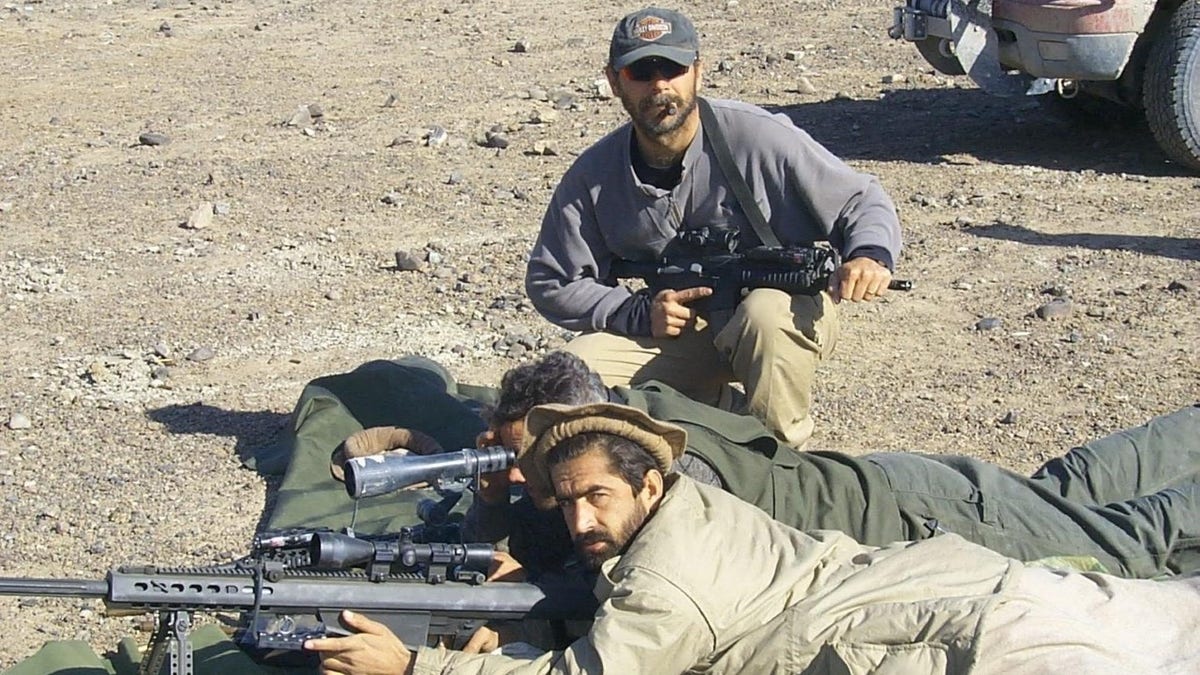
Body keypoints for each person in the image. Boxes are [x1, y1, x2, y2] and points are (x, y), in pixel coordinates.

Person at [305, 402, 1200, 674]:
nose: (578, 520)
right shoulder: (670, 490)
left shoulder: (670, 580)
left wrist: (420, 667)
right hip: (947, 579)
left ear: (649, 483)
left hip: (980, 635)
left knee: (1133, 527)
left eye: (594, 501)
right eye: (563, 502)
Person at [465, 351, 1200, 580]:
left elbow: (632, 571)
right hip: (907, 491)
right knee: (1071, 492)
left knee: (1126, 547)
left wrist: (511, 524)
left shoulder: (676, 485)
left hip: (920, 520)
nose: (522, 473)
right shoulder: (638, 413)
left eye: (525, 454)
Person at [524, 7, 903, 447]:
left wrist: (869, 255)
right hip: (683, 330)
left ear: (697, 73)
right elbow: (552, 278)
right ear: (614, 81)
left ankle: (783, 463)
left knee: (764, 314)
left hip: (775, 318)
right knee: (573, 384)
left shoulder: (758, 137)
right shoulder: (595, 174)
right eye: (641, 71)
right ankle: (714, 418)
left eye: (673, 68)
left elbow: (861, 200)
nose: (660, 84)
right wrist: (637, 312)